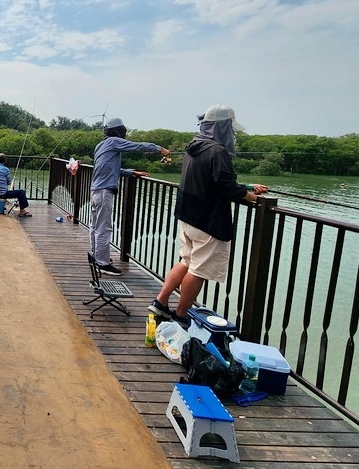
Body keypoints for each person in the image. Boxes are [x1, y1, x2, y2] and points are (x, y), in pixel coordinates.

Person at [148, 105, 267, 326]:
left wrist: (248, 186)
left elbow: (211, 181)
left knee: (187, 261)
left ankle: (160, 302)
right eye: (230, 127)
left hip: (188, 216)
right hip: (208, 221)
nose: (232, 133)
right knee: (199, 269)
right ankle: (181, 315)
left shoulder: (194, 146)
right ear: (223, 127)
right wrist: (254, 198)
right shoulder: (218, 151)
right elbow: (226, 188)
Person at [90, 117, 170, 275]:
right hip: (104, 191)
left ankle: (95, 255)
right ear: (118, 131)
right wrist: (159, 148)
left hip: (95, 191)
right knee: (103, 228)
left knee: (95, 227)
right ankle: (102, 263)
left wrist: (131, 172)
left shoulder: (101, 145)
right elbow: (137, 146)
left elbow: (110, 169)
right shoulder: (113, 141)